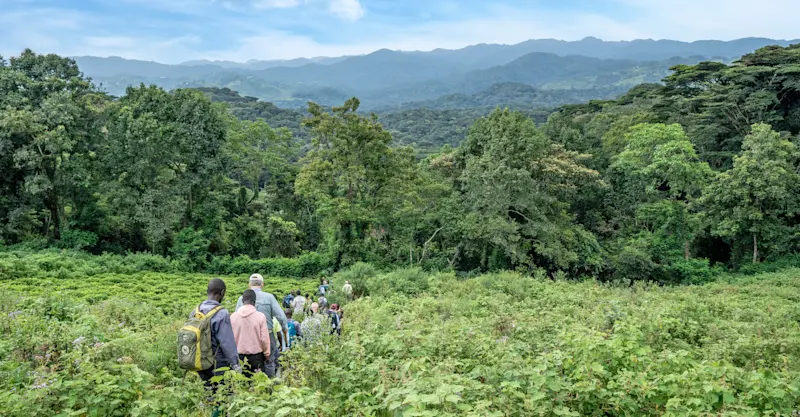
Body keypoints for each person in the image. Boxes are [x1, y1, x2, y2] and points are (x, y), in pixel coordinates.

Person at [193, 279, 241, 417]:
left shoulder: (195, 310)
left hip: (199, 360)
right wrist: (235, 364)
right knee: (224, 395)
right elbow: (227, 342)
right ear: (222, 293)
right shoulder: (221, 313)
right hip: (218, 363)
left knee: (208, 393)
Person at [235, 274, 287, 378]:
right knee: (269, 362)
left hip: (247, 337)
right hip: (267, 334)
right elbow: (281, 317)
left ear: (249, 285)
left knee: (247, 364)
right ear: (262, 284)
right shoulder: (269, 297)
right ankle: (269, 386)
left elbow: (237, 316)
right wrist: (284, 329)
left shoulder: (242, 298)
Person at [230, 289, 270, 377]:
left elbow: (230, 339)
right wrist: (267, 354)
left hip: (239, 357)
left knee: (241, 383)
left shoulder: (233, 316)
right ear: (254, 302)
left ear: (242, 301)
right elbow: (264, 339)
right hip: (256, 357)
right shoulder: (260, 316)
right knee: (257, 384)